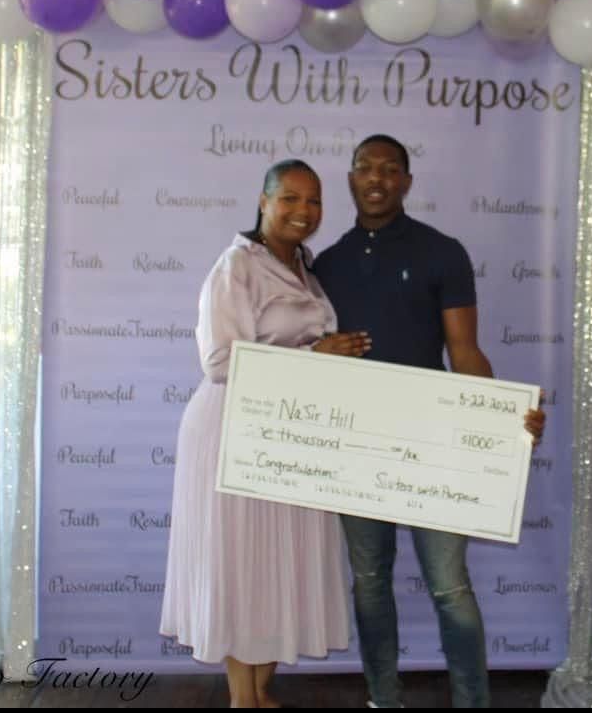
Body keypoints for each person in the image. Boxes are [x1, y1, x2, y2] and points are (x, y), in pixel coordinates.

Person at [314, 135, 546, 709]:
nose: (377, 178)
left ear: (407, 183)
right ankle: (382, 699)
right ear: (350, 179)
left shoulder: (443, 252)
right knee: (369, 584)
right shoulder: (326, 264)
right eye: (365, 168)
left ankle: (472, 702)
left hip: (433, 444)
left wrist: (499, 427)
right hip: (357, 447)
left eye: (390, 169)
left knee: (450, 587)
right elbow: (305, 356)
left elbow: (465, 352)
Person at [160, 159, 371, 709]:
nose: (304, 211)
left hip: (286, 432)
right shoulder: (237, 266)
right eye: (291, 199)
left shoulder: (305, 268)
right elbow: (220, 360)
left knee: (276, 564)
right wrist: (315, 352)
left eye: (314, 201)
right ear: (263, 201)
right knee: (243, 563)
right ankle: (241, 700)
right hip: (234, 429)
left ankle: (260, 692)